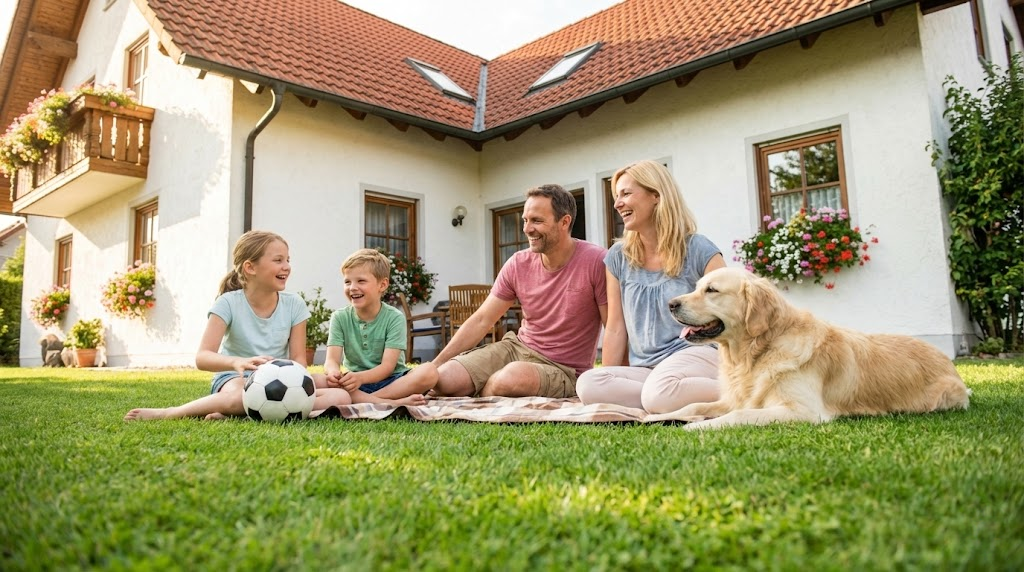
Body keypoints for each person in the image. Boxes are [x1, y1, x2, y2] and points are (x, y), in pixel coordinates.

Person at [123, 232, 416, 422]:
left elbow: (300, 360)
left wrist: (290, 374)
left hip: (282, 377)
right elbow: (203, 357)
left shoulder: (294, 305)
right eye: (278, 260)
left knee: (339, 395)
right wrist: (237, 362)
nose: (286, 266)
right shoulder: (228, 303)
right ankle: (170, 413)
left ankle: (238, 413)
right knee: (240, 395)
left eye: (287, 260)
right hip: (234, 378)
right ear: (250, 268)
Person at [405, 184, 608, 398]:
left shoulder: (596, 261)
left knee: (509, 380)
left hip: (564, 369)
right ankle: (480, 388)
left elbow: (612, 325)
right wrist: (434, 367)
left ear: (564, 222)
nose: (527, 229)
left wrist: (613, 379)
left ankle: (483, 390)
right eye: (525, 220)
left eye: (537, 221)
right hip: (515, 349)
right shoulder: (518, 263)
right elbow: (482, 319)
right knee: (445, 380)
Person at [576, 160, 725, 413]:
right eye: (616, 195)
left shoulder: (699, 249)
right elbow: (615, 327)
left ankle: (744, 391)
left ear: (655, 195)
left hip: (697, 354)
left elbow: (731, 308)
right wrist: (614, 376)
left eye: (626, 193)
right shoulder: (617, 257)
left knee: (660, 394)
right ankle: (668, 395)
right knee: (589, 384)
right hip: (647, 369)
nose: (617, 203)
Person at [323, 248, 435, 400]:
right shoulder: (339, 317)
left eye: (361, 281)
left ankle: (372, 400)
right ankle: (382, 402)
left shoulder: (394, 318)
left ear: (382, 285)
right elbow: (331, 360)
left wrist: (360, 378)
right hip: (354, 384)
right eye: (347, 282)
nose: (352, 287)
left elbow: (387, 368)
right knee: (315, 380)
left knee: (429, 372)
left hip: (392, 381)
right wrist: (333, 373)